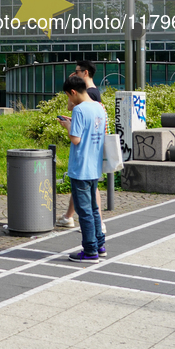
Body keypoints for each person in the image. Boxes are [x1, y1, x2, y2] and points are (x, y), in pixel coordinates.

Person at [58, 76, 107, 263]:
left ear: (73, 92)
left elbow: (76, 139)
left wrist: (68, 125)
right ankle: (99, 245)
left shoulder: (79, 109)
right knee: (94, 209)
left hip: (81, 167)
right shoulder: (98, 107)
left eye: (68, 97)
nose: (69, 101)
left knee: (84, 211)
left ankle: (90, 250)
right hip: (94, 165)